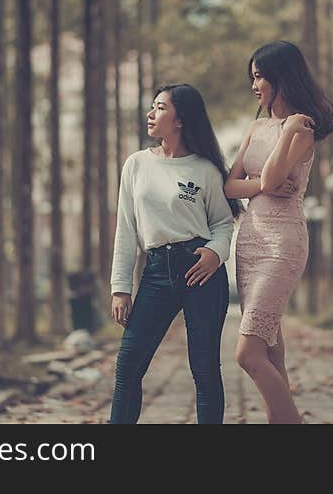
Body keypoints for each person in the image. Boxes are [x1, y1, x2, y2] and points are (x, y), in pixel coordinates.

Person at [109, 83, 241, 424]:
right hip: (155, 271)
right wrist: (120, 287)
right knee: (128, 366)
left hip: (202, 270)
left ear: (180, 119)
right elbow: (126, 228)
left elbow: (224, 223)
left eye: (160, 108)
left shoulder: (205, 170)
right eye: (152, 107)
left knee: (205, 369)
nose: (151, 114)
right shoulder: (136, 164)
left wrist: (215, 253)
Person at [225, 40, 333, 424]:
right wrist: (262, 184)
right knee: (272, 353)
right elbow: (230, 186)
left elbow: (274, 178)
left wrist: (288, 130)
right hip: (249, 242)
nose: (255, 84)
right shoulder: (256, 127)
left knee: (248, 354)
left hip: (282, 243)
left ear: (281, 78)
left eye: (260, 76)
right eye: (252, 76)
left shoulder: (302, 127)